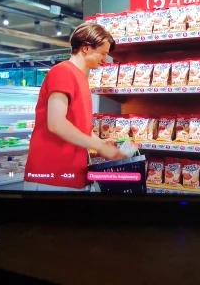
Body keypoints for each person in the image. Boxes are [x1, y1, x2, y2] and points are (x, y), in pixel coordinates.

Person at [23, 22, 126, 191]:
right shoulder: (62, 72)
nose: (105, 60)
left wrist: (101, 144)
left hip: (72, 174)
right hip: (51, 175)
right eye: (102, 53)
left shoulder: (82, 78)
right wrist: (99, 146)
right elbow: (56, 124)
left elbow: (81, 128)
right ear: (86, 48)